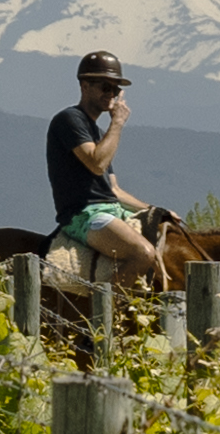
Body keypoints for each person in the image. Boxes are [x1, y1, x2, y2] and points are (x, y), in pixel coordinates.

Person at [45, 51, 162, 290]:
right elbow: (96, 164)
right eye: (105, 87)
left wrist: (156, 211)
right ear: (84, 85)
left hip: (111, 209)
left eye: (116, 90)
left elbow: (115, 190)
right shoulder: (69, 119)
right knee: (142, 253)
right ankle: (109, 317)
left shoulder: (99, 134)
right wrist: (117, 123)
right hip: (84, 215)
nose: (111, 94)